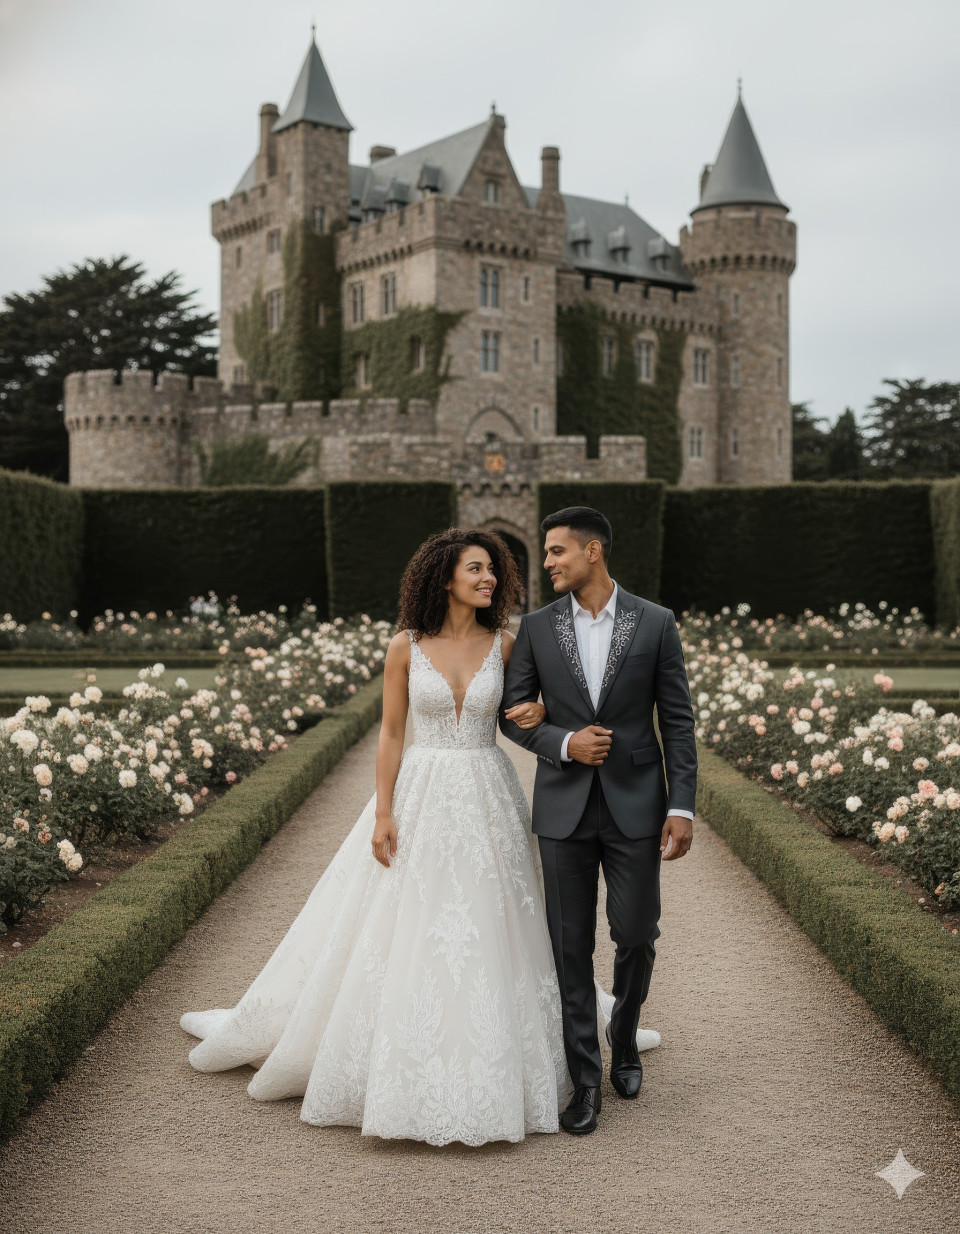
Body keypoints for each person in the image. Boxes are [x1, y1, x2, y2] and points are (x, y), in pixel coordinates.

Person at [181, 527, 658, 1147]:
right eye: (477, 569)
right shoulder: (403, 646)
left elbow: (535, 713)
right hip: (422, 793)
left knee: (494, 919)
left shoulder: (509, 645)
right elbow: (389, 735)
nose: (490, 579)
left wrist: (541, 714)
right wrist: (383, 812)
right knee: (409, 920)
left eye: (494, 570)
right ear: (445, 576)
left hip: (488, 792)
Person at [499, 507, 697, 1135]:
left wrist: (681, 804)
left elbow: (678, 722)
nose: (548, 562)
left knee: (637, 932)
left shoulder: (656, 623)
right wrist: (562, 743)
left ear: (592, 551)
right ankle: (586, 1080)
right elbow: (510, 714)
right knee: (569, 945)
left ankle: (627, 1031)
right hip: (562, 808)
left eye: (557, 552)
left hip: (636, 805)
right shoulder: (534, 627)